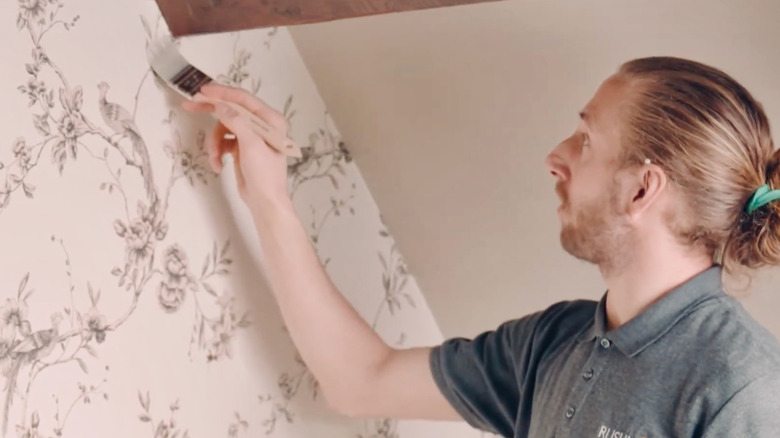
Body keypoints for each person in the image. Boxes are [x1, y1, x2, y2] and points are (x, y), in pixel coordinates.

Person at [182, 56, 780, 438]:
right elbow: (362, 380)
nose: (555, 157)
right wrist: (269, 198)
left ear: (642, 189)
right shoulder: (554, 341)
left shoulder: (745, 387)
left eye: (585, 138)